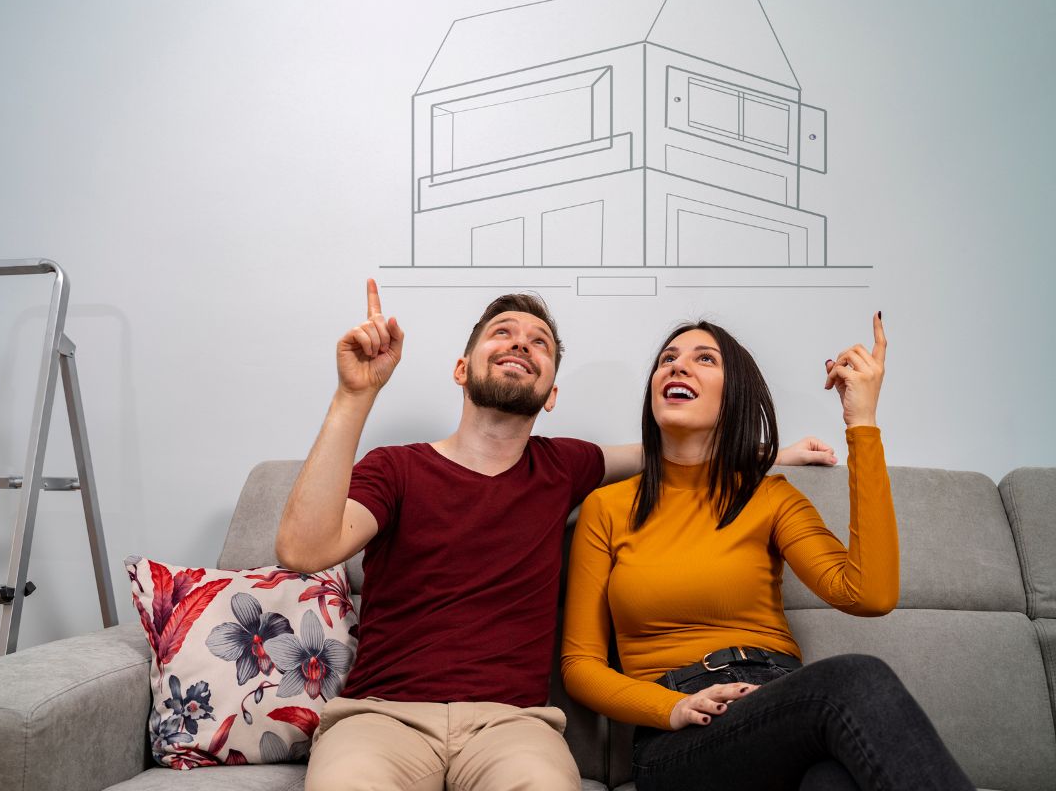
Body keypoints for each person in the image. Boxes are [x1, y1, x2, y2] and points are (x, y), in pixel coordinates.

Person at [276, 281, 836, 791]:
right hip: (381, 718)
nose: (521, 344)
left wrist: (769, 454)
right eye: (503, 333)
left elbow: (672, 451)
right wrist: (355, 395)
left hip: (511, 726)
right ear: (461, 369)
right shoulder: (397, 468)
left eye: (539, 342)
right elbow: (303, 550)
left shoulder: (562, 468)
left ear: (551, 394)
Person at [561, 315, 974, 790]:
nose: (677, 367)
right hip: (681, 730)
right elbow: (580, 665)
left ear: (733, 393)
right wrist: (668, 708)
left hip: (781, 698)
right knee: (858, 678)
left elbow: (869, 593)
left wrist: (861, 423)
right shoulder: (608, 507)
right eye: (667, 360)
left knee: (831, 782)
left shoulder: (770, 497)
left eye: (704, 359)